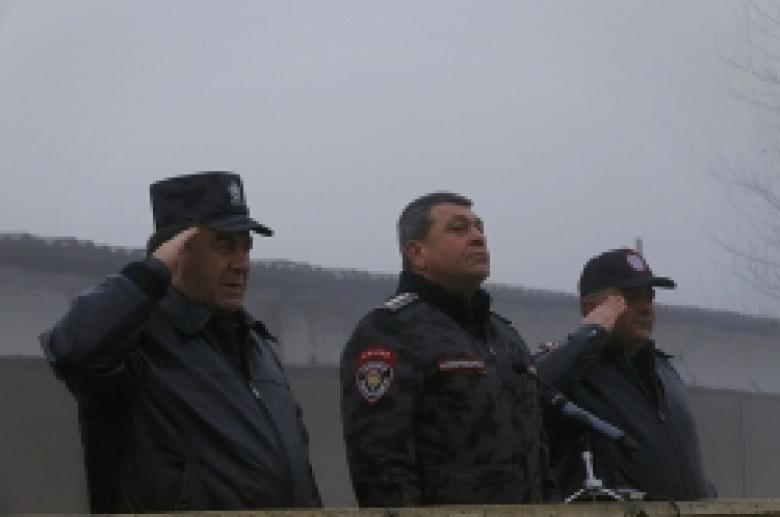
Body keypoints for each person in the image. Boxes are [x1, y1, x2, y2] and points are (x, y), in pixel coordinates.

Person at [40, 172, 321, 512]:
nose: (241, 263)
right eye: (223, 246)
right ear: (176, 251)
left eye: (246, 247)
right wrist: (151, 272)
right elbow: (72, 349)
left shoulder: (255, 344)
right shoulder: (136, 343)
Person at [340, 192, 548, 507]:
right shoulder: (389, 332)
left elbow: (540, 454)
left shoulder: (505, 336)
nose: (478, 237)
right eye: (458, 228)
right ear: (416, 253)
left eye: (480, 227)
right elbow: (381, 466)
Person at [536, 248, 713, 500]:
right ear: (590, 307)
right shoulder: (571, 371)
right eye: (629, 297)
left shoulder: (664, 370)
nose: (646, 307)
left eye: (650, 296)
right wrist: (590, 333)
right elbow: (529, 395)